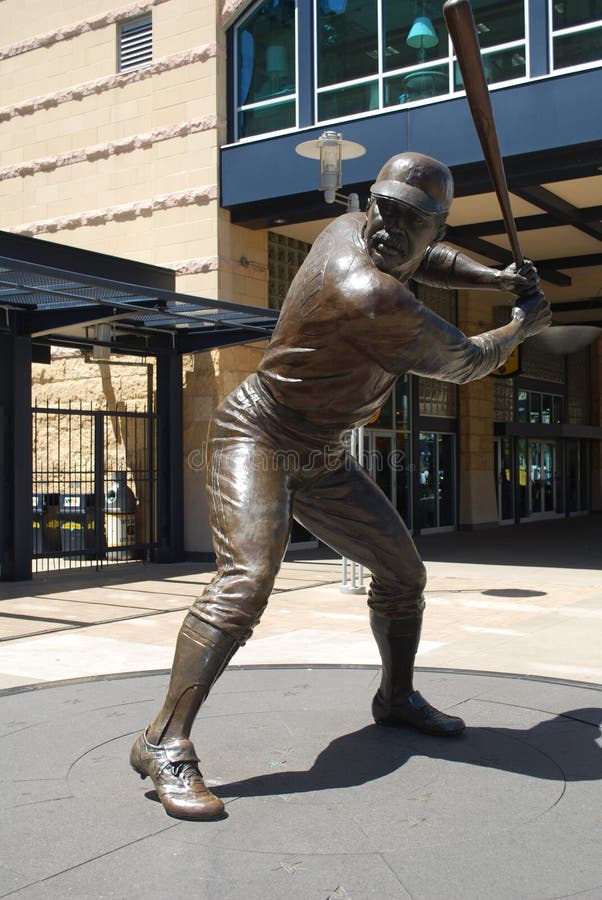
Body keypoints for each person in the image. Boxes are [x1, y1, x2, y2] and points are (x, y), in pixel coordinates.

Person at [130, 152, 551, 820]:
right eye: (383, 208)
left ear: (435, 227)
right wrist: (523, 324)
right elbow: (469, 362)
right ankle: (163, 740)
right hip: (259, 436)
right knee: (245, 584)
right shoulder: (368, 288)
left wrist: (496, 275)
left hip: (321, 454)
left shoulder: (368, 233)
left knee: (402, 573)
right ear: (372, 204)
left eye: (410, 219)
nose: (387, 226)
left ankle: (397, 698)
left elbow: (430, 260)